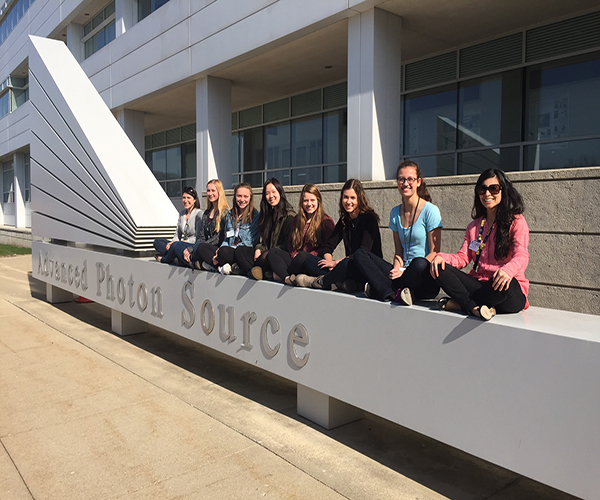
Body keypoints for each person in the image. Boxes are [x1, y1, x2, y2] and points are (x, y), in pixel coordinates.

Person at [431, 168, 529, 321]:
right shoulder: (474, 227)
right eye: (482, 189)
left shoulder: (516, 221)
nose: (487, 194)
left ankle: (463, 304)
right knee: (440, 268)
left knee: (505, 285)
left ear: (504, 190)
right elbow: (463, 258)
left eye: (494, 188)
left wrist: (507, 271)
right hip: (479, 284)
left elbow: (521, 255)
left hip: (505, 289)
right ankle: (476, 307)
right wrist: (441, 257)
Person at [353, 160, 442, 304]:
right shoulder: (395, 212)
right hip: (402, 274)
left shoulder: (430, 211)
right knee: (359, 254)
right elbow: (399, 252)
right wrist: (396, 269)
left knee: (419, 263)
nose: (405, 183)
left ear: (418, 182)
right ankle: (393, 292)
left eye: (410, 179)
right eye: (401, 179)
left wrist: (405, 272)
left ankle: (384, 289)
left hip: (424, 279)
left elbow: (434, 252)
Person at [295, 179, 382, 291]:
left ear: (359, 198)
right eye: (345, 197)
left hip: (365, 268)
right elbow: (329, 246)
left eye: (352, 198)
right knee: (309, 261)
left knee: (345, 265)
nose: (348, 201)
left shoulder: (369, 219)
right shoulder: (344, 220)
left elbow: (363, 252)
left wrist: (336, 263)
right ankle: (340, 282)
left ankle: (320, 281)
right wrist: (329, 262)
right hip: (345, 266)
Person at [266, 184, 335, 284]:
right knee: (273, 252)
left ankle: (280, 274)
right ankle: (287, 278)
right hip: (295, 260)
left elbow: (326, 247)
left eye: (312, 200)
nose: (309, 204)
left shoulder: (326, 221)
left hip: (312, 261)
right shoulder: (296, 219)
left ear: (318, 201)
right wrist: (294, 255)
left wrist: (307, 255)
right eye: (306, 201)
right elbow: (290, 243)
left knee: (302, 256)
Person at [200, 183, 259, 275]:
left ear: (250, 198)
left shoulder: (255, 216)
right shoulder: (230, 215)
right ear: (235, 197)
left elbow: (249, 242)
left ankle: (224, 266)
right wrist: (220, 250)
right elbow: (226, 238)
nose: (242, 200)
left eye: (245, 196)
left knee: (237, 251)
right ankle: (229, 267)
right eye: (239, 196)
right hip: (230, 252)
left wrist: (227, 249)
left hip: (244, 252)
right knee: (202, 247)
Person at [249, 178, 296, 280]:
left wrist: (269, 251)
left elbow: (288, 245)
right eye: (267, 193)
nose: (271, 196)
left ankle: (262, 272)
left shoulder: (289, 216)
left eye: (274, 192)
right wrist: (258, 249)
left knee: (270, 254)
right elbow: (265, 242)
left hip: (281, 256)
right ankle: (265, 273)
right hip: (269, 253)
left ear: (280, 192)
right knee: (242, 251)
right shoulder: (268, 215)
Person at [183, 179, 230, 269]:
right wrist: (194, 246)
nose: (210, 193)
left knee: (199, 248)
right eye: (208, 191)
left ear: (219, 192)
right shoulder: (207, 213)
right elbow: (201, 236)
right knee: (179, 246)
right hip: (204, 246)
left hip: (215, 249)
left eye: (213, 190)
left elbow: (218, 238)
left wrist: (195, 247)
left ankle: (215, 266)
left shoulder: (224, 213)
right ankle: (200, 262)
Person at [153, 186, 202, 265]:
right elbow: (177, 233)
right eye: (184, 198)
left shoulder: (198, 214)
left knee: (176, 246)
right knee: (157, 242)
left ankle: (165, 259)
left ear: (194, 200)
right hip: (179, 244)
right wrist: (172, 242)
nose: (185, 201)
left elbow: (198, 237)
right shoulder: (182, 214)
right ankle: (175, 257)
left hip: (190, 245)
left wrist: (183, 242)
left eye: (188, 198)